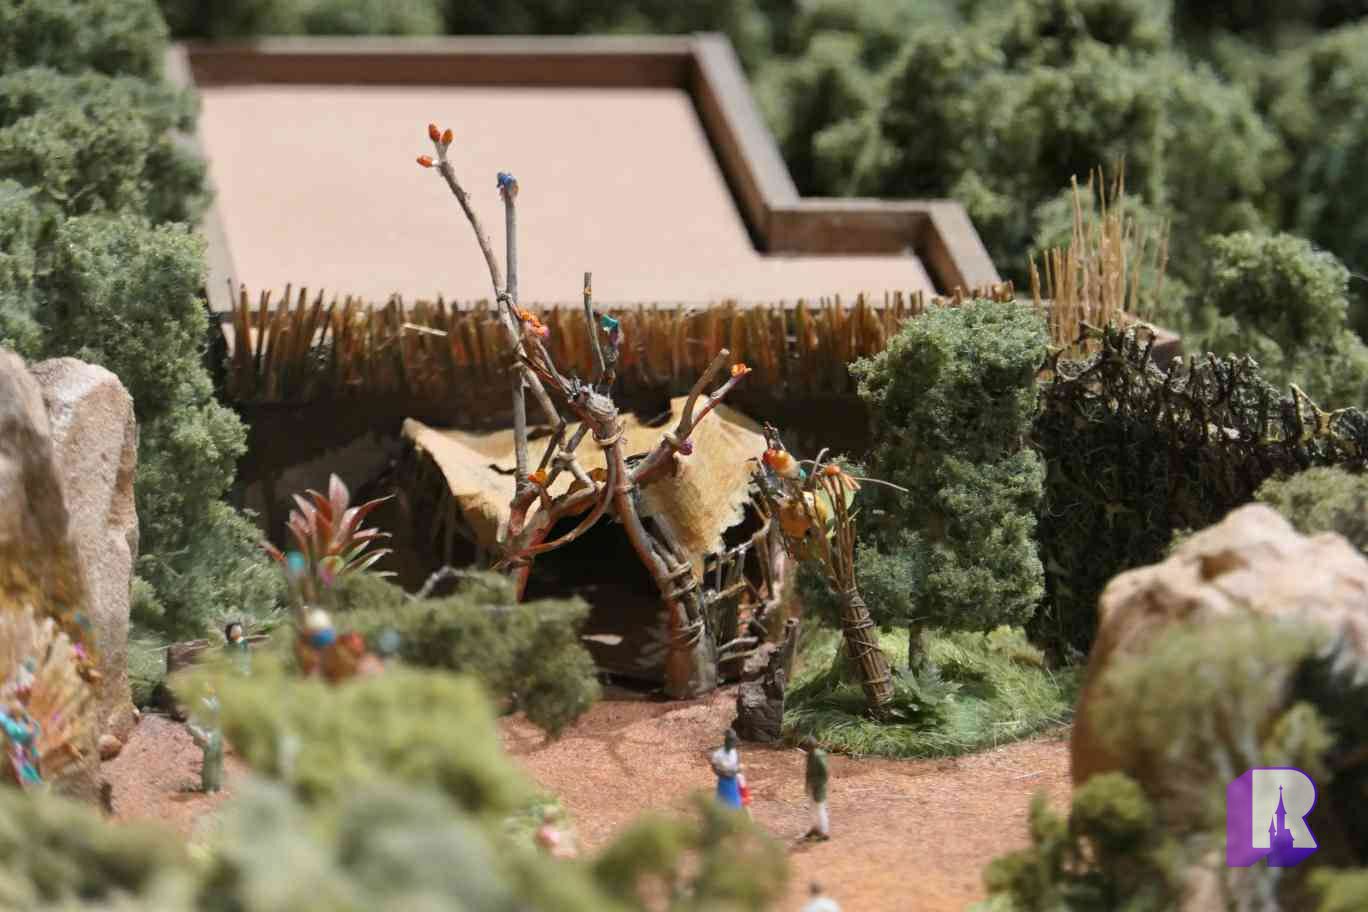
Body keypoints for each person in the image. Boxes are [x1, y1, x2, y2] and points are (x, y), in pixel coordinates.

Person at [186, 695, 224, 793]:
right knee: (210, 761)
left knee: (218, 759)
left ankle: (217, 785)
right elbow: (190, 724)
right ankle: (208, 786)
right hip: (208, 735)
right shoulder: (201, 703)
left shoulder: (217, 700)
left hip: (217, 734)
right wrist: (201, 735)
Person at [802, 736, 830, 841]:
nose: (806, 749)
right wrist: (807, 785)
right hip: (812, 785)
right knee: (812, 808)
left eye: (807, 747)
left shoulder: (819, 756)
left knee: (820, 808)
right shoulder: (809, 755)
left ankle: (824, 832)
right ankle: (814, 828)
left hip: (819, 786)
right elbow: (808, 772)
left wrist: (817, 785)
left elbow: (825, 773)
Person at [710, 728, 743, 809]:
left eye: (734, 741)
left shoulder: (734, 752)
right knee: (723, 804)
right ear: (726, 741)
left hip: (734, 781)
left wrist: (738, 770)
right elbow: (714, 767)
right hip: (724, 782)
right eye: (732, 741)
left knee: (735, 803)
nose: (734, 743)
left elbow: (737, 764)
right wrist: (722, 773)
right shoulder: (718, 754)